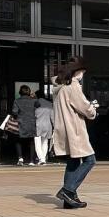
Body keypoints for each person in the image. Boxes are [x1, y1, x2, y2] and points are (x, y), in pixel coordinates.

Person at [52, 60, 97, 208]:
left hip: (64, 129)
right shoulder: (73, 86)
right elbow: (84, 108)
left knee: (73, 162)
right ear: (77, 71)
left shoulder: (61, 87)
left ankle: (69, 200)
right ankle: (67, 190)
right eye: (82, 71)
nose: (83, 74)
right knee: (90, 160)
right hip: (74, 130)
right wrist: (93, 108)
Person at [11, 85, 37, 166]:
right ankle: (31, 161)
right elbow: (38, 105)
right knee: (31, 141)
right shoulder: (33, 100)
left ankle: (20, 158)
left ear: (20, 92)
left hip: (21, 124)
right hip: (31, 123)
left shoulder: (17, 101)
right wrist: (34, 96)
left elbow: (14, 112)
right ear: (29, 92)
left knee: (18, 140)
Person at [34, 91, 54, 166]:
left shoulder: (35, 106)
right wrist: (54, 126)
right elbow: (53, 118)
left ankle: (41, 159)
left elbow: (33, 117)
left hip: (38, 126)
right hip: (48, 126)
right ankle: (44, 159)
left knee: (37, 143)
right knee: (45, 142)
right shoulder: (49, 105)